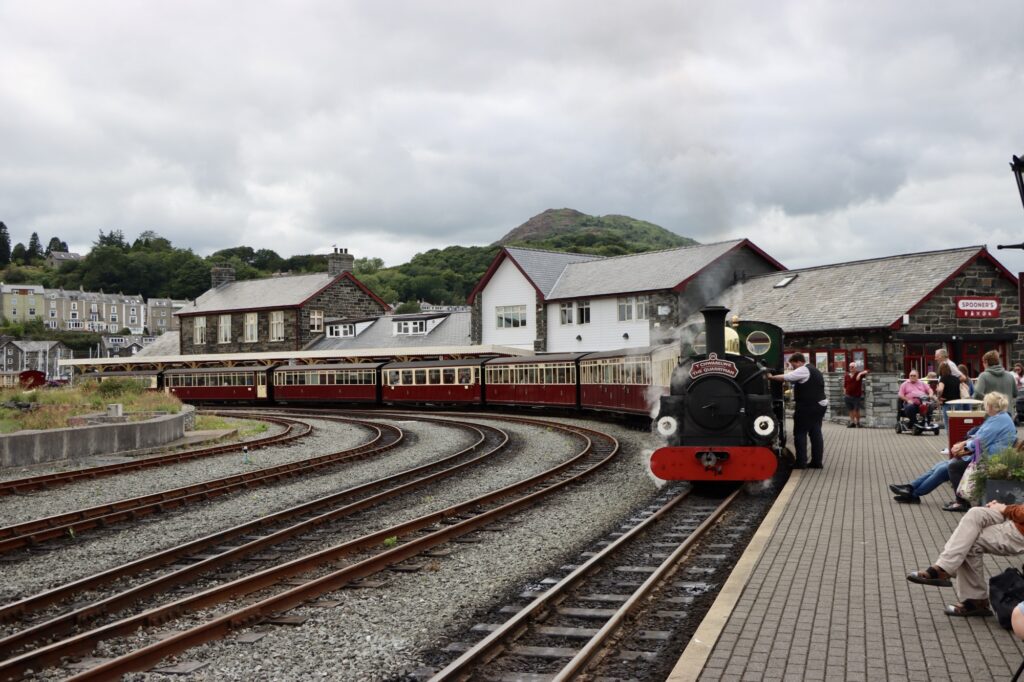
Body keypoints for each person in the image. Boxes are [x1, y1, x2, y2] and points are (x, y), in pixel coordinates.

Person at [890, 392, 1016, 506]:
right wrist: (963, 444)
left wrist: (963, 447)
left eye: (985, 404)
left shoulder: (999, 420)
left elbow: (979, 441)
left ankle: (916, 494)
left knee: (949, 466)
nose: (984, 406)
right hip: (983, 456)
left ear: (991, 406)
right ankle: (910, 488)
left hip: (988, 460)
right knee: (941, 465)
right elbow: (978, 436)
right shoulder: (998, 418)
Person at [906, 498, 1024, 617]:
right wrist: (1003, 506)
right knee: (975, 513)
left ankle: (973, 598)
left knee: (970, 541)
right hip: (1017, 517)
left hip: (1020, 529)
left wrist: (1004, 508)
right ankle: (945, 569)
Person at [768, 352, 827, 469]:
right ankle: (817, 462)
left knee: (800, 433)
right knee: (815, 433)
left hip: (807, 406)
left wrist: (770, 377)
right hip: (820, 405)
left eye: (793, 365)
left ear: (799, 362)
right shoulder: (814, 370)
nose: (793, 368)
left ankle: (801, 462)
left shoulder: (804, 370)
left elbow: (786, 377)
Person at [975, 350, 1018, 420]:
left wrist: (990, 400)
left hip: (991, 416)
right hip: (1008, 415)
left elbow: (977, 393)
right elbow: (1015, 393)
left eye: (983, 362)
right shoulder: (1010, 376)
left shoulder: (983, 376)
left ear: (986, 362)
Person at [936, 362, 960, 431]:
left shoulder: (943, 378)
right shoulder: (956, 379)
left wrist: (939, 397)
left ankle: (950, 439)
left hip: (947, 404)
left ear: (940, 370)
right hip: (958, 403)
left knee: (948, 425)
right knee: (956, 424)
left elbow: (940, 389)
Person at [843, 362, 869, 428]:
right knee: (850, 410)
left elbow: (867, 371)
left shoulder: (858, 374)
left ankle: (858, 423)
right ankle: (852, 422)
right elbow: (845, 385)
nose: (851, 368)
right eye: (850, 367)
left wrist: (860, 374)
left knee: (856, 410)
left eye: (852, 367)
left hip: (856, 396)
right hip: (848, 396)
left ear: (855, 368)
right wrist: (845, 393)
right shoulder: (846, 375)